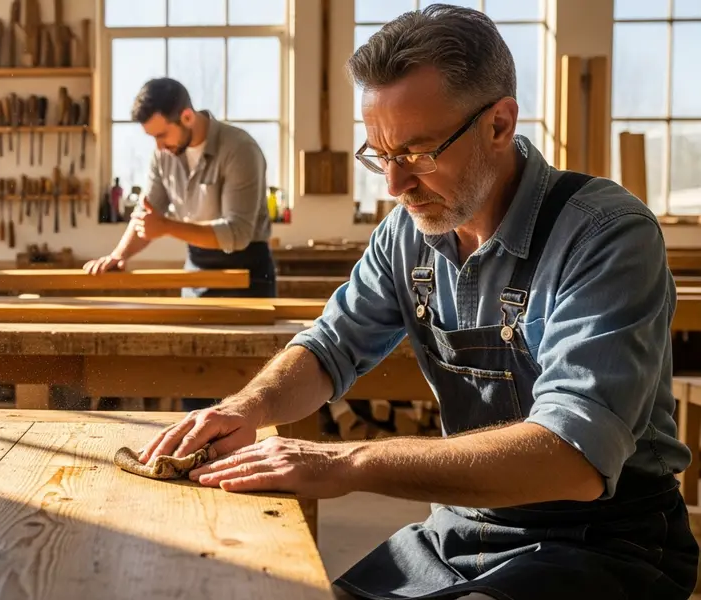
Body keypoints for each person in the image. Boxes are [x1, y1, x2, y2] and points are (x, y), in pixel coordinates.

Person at [135, 5, 697, 600]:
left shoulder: (606, 234)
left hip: (603, 543)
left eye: (417, 154)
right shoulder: (407, 233)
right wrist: (247, 408)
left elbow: (571, 457)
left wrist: (347, 464)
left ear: (500, 125)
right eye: (380, 155)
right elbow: (331, 347)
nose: (394, 186)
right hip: (460, 529)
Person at [83, 77, 276, 299]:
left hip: (248, 274)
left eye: (161, 135)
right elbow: (147, 215)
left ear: (187, 117)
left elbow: (237, 234)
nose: (158, 146)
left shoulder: (240, 149)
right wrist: (118, 255)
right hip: (196, 269)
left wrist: (165, 226)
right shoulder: (163, 155)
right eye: (152, 137)